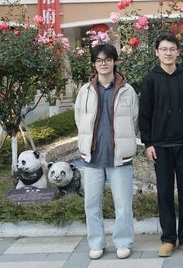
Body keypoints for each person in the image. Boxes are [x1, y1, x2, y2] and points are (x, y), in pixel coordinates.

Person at [138, 32, 183, 257]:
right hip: (160, 146)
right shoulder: (150, 80)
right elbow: (144, 115)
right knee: (164, 192)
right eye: (164, 49)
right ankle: (167, 238)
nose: (168, 53)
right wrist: (148, 143)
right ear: (157, 52)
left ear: (178, 52)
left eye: (171, 49)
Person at [74, 43, 139, 260]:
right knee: (91, 205)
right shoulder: (84, 91)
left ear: (114, 61)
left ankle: (123, 242)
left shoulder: (127, 90)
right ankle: (96, 243)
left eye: (108, 59)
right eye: (99, 60)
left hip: (119, 157)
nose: (104, 63)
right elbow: (79, 119)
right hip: (92, 158)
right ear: (94, 64)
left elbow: (134, 118)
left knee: (123, 205)